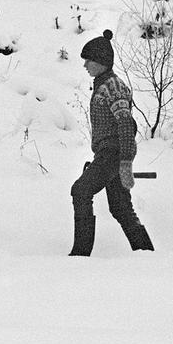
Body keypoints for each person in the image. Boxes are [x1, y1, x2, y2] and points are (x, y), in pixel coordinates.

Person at [69, 29, 154, 256]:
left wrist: (125, 162)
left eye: (89, 60)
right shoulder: (103, 84)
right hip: (107, 154)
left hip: (112, 154)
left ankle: (80, 254)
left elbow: (126, 124)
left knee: (80, 191)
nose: (85, 64)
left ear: (101, 61)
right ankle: (146, 253)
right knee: (120, 208)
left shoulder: (113, 87)